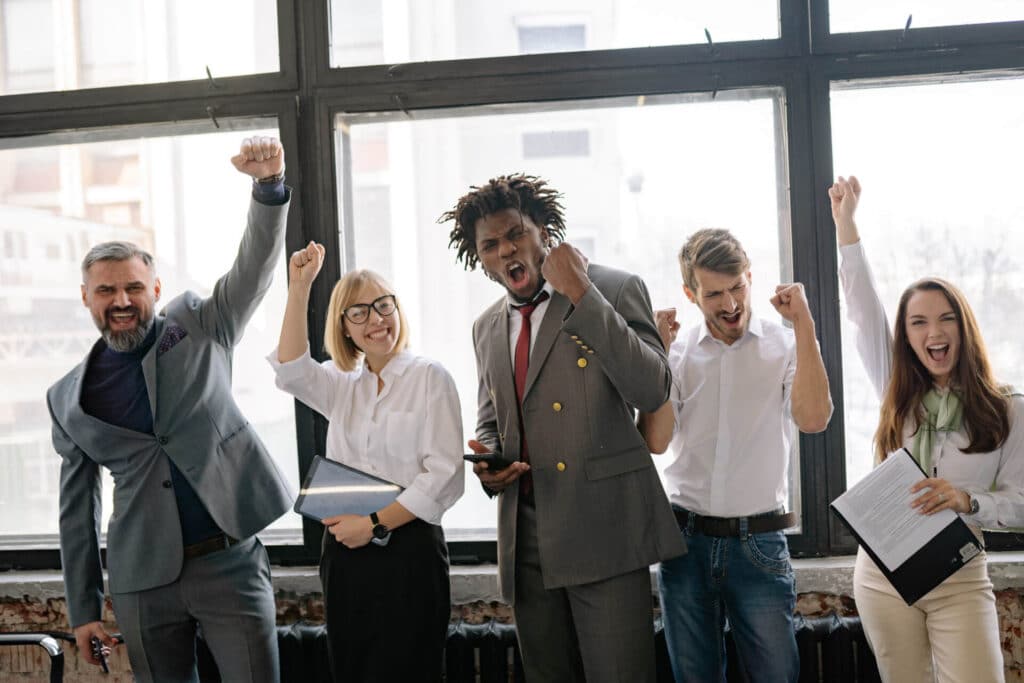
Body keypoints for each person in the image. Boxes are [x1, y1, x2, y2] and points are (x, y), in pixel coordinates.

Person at [46, 136, 294, 682]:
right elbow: (76, 513)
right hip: (142, 580)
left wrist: (268, 188)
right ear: (86, 298)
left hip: (229, 559)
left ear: (155, 288)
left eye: (134, 287)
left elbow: (252, 270)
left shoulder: (200, 323)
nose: (121, 301)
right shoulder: (67, 398)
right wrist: (84, 611)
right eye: (106, 290)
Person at [439, 173, 684, 683]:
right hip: (526, 539)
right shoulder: (486, 326)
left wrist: (581, 291)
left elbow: (652, 388)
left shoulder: (613, 288)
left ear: (543, 231)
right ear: (479, 258)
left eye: (516, 234)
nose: (507, 250)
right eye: (491, 245)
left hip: (605, 530)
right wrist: (491, 468)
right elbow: (493, 419)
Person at [831, 175, 1024, 682]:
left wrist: (967, 500)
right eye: (918, 322)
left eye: (945, 319)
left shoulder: (1007, 409)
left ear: (964, 327)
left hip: (959, 574)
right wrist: (846, 227)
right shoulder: (895, 388)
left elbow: (1023, 501)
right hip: (883, 573)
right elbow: (861, 307)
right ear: (906, 335)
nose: (933, 332)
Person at [638, 228, 833, 683]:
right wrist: (657, 357)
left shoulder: (785, 344)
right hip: (684, 544)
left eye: (738, 288)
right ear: (691, 293)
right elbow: (657, 441)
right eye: (714, 294)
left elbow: (814, 419)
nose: (730, 305)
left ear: (750, 278)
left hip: (760, 546)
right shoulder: (679, 352)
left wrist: (804, 324)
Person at [267, 244, 464, 682]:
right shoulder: (342, 384)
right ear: (345, 328)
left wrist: (374, 524)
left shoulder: (430, 377)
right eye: (359, 313)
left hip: (409, 550)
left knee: (413, 669)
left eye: (383, 305)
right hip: (346, 553)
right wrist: (299, 287)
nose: (376, 320)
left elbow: (443, 477)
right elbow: (291, 369)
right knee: (352, 668)